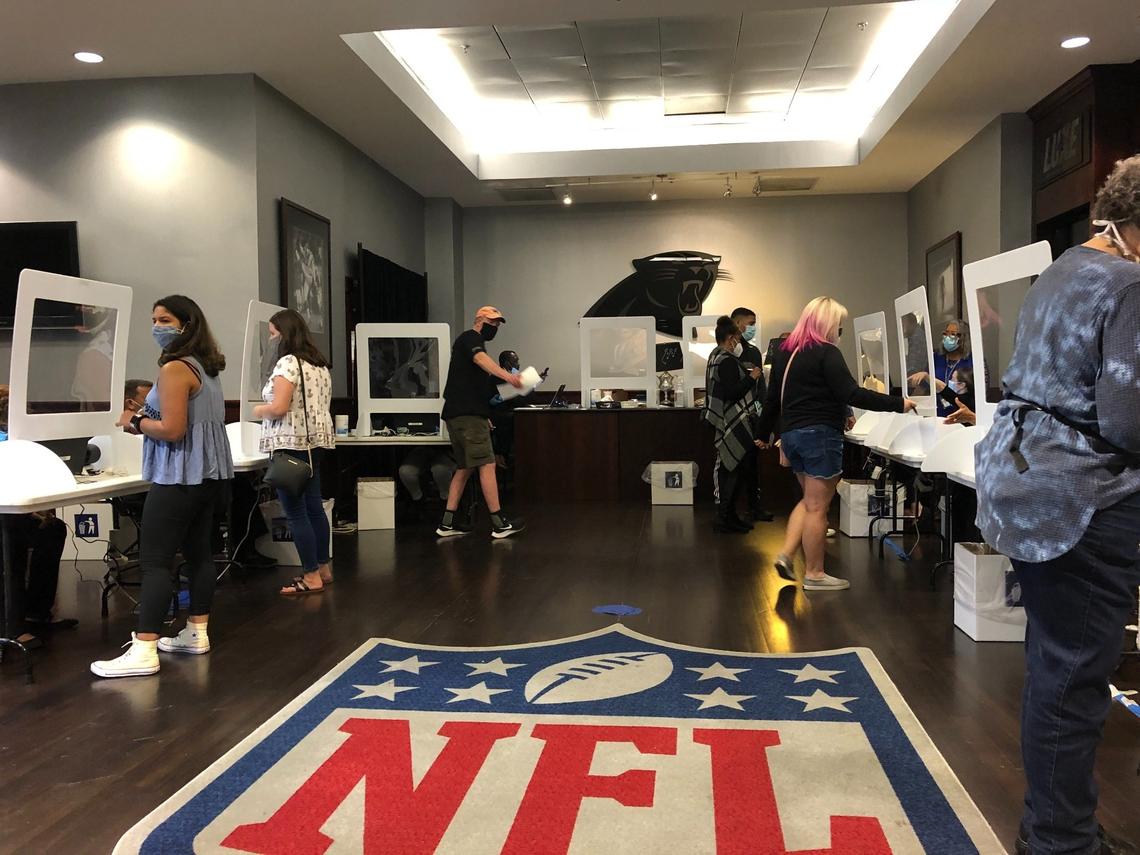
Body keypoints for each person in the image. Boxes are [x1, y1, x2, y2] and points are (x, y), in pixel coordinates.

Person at [975, 155, 1140, 855]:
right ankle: (1060, 841)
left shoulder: (1064, 268)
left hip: (1025, 480)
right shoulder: (1129, 282)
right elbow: (1129, 418)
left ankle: (1056, 828)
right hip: (1083, 497)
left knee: (1056, 668)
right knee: (1074, 678)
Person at [90, 296, 234, 678]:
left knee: (155, 561)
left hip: (178, 477)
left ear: (186, 325)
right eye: (154, 319)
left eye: (165, 319)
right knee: (199, 554)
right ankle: (195, 632)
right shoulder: (207, 367)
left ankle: (144, 647)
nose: (157, 326)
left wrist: (133, 421)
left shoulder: (174, 369)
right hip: (207, 476)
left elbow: (172, 429)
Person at [758, 297, 914, 590]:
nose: (838, 333)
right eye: (838, 327)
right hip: (819, 435)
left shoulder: (785, 354)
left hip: (791, 435)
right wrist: (898, 403)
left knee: (808, 501)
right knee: (818, 507)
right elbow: (851, 394)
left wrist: (761, 432)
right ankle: (815, 574)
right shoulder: (826, 353)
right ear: (828, 325)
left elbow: (771, 399)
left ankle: (786, 554)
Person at [253, 309, 335, 596]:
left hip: (289, 445)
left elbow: (278, 407)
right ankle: (323, 568)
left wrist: (258, 409)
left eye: (273, 333)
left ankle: (310, 575)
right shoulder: (319, 365)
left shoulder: (287, 364)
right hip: (314, 446)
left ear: (284, 334)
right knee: (314, 508)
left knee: (296, 512)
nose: (271, 339)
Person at [435, 307, 524, 539]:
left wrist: (483, 415)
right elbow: (481, 359)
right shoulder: (470, 339)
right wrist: (510, 377)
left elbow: (472, 384)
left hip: (459, 414)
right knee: (487, 463)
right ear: (479, 320)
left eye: (498, 324)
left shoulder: (468, 343)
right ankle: (499, 523)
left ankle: (447, 523)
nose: (495, 327)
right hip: (467, 416)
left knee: (465, 468)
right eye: (492, 322)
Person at [0, 384, 73, 650]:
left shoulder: (26, 442)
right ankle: (12, 626)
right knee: (11, 539)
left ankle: (36, 611)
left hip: (15, 507)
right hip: (5, 512)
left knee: (53, 530)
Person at [702, 316, 762, 534]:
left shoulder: (714, 357)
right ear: (730, 338)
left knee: (732, 468)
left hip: (724, 419)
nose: (738, 343)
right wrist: (752, 377)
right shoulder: (726, 359)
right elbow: (732, 393)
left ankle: (729, 515)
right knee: (733, 468)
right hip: (732, 421)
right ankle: (726, 516)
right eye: (737, 338)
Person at [728, 306, 774, 522]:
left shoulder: (754, 352)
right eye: (750, 323)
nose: (753, 328)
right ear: (738, 323)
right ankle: (728, 509)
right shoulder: (725, 351)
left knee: (752, 464)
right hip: (731, 417)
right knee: (732, 465)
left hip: (753, 415)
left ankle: (755, 507)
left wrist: (763, 412)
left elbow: (761, 386)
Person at [931, 320, 973, 417]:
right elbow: (924, 386)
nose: (947, 338)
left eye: (953, 334)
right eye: (946, 334)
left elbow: (978, 393)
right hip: (938, 414)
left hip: (962, 415)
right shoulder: (936, 358)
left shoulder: (972, 361)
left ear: (963, 338)